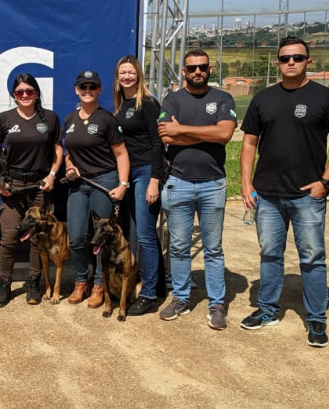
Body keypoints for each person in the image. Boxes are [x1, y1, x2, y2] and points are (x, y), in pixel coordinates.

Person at [239, 36, 329, 347]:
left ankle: (316, 318)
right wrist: (246, 183)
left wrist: (324, 182)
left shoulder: (326, 98)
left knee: (312, 257)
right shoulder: (263, 98)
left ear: (308, 61)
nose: (291, 63)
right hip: (268, 194)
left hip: (307, 196)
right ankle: (268, 309)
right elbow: (249, 142)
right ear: (278, 63)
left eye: (297, 58)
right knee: (270, 254)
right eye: (285, 58)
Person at [156, 50, 236, 329]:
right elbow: (166, 135)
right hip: (178, 182)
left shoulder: (223, 98)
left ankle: (217, 304)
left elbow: (225, 134)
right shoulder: (173, 99)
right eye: (192, 68)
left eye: (202, 67)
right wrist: (207, 134)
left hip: (213, 183)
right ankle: (180, 298)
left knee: (213, 248)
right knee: (179, 247)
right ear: (184, 72)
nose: (197, 72)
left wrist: (182, 131)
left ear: (210, 69)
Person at [0, 74, 63, 307]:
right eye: (19, 92)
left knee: (37, 239)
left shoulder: (49, 118)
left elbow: (58, 149)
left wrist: (52, 175)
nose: (25, 96)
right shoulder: (5, 118)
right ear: (14, 95)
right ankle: (4, 285)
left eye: (29, 91)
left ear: (37, 93)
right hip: (13, 187)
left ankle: (33, 282)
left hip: (39, 186)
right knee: (9, 238)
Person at [63, 70, 130, 308]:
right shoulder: (70, 119)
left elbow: (121, 154)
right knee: (77, 237)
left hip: (104, 181)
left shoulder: (107, 119)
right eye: (83, 87)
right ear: (77, 90)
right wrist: (69, 166)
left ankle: (100, 284)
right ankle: (81, 281)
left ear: (99, 90)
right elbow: (68, 153)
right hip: (78, 185)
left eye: (92, 87)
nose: (88, 91)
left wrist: (123, 184)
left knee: (102, 237)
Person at [111, 55, 165, 316]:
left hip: (145, 173)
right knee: (138, 232)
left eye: (131, 72)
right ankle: (159, 285)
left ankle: (149, 294)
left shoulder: (149, 103)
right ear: (117, 77)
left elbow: (158, 144)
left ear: (139, 75)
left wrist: (154, 180)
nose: (127, 76)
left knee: (144, 234)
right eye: (123, 73)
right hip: (127, 175)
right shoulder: (120, 105)